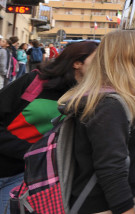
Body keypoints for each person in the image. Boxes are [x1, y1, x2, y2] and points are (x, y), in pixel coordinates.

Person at [58, 31, 135, 214]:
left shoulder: (113, 99)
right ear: (129, 58)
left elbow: (124, 149)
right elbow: (112, 170)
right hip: (103, 206)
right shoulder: (109, 105)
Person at [0, 40, 98, 213]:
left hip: (23, 174)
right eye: (98, 59)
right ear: (77, 63)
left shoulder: (87, 99)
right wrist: (28, 150)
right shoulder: (35, 81)